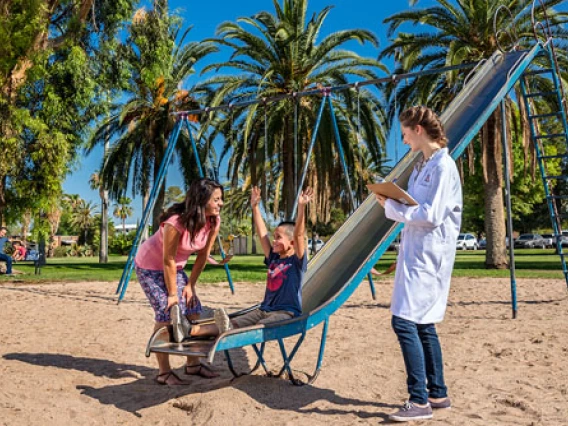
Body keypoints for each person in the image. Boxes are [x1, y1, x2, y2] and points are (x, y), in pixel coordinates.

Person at [375, 106, 462, 422]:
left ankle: (418, 400)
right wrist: (393, 202)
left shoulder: (443, 167)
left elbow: (431, 214)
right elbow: (416, 205)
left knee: (404, 321)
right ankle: (437, 393)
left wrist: (394, 208)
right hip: (416, 253)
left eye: (405, 133)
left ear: (419, 130)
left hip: (429, 257)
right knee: (423, 323)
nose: (404, 139)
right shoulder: (422, 166)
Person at [183, 186, 312, 339]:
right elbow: (262, 233)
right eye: (274, 236)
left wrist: (302, 208)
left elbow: (298, 235)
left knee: (261, 326)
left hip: (285, 313)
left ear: (291, 243)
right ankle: (189, 330)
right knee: (236, 322)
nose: (274, 240)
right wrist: (255, 207)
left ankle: (229, 330)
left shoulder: (296, 261)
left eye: (278, 237)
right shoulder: (274, 258)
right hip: (262, 310)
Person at [134, 178, 224, 386]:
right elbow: (168, 259)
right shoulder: (175, 222)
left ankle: (193, 364)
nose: (221, 204)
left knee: (193, 310)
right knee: (167, 313)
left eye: (221, 199)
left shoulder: (213, 221)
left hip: (176, 267)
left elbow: (202, 255)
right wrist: (173, 295)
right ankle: (164, 372)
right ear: (202, 201)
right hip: (149, 267)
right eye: (216, 200)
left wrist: (191, 285)